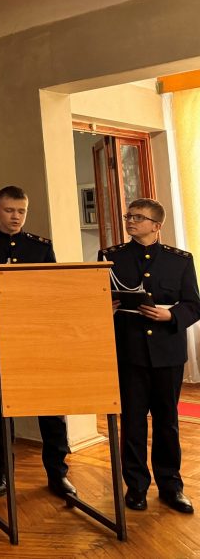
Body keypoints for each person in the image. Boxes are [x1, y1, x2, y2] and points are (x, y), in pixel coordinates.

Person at [0, 185, 74, 498]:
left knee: (50, 405)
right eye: (10, 210)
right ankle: (1, 473)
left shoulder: (41, 247)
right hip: (1, 334)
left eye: (21, 211)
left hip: (38, 335)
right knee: (1, 406)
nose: (16, 216)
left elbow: (54, 290)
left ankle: (58, 473)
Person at [101, 198, 199, 514]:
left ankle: (171, 486)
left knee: (167, 422)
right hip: (129, 351)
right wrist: (102, 307)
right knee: (132, 422)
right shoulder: (110, 257)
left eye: (138, 217)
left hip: (168, 351)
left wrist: (171, 316)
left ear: (156, 226)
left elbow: (193, 305)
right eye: (128, 216)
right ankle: (136, 487)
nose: (130, 221)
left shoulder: (180, 260)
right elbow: (95, 298)